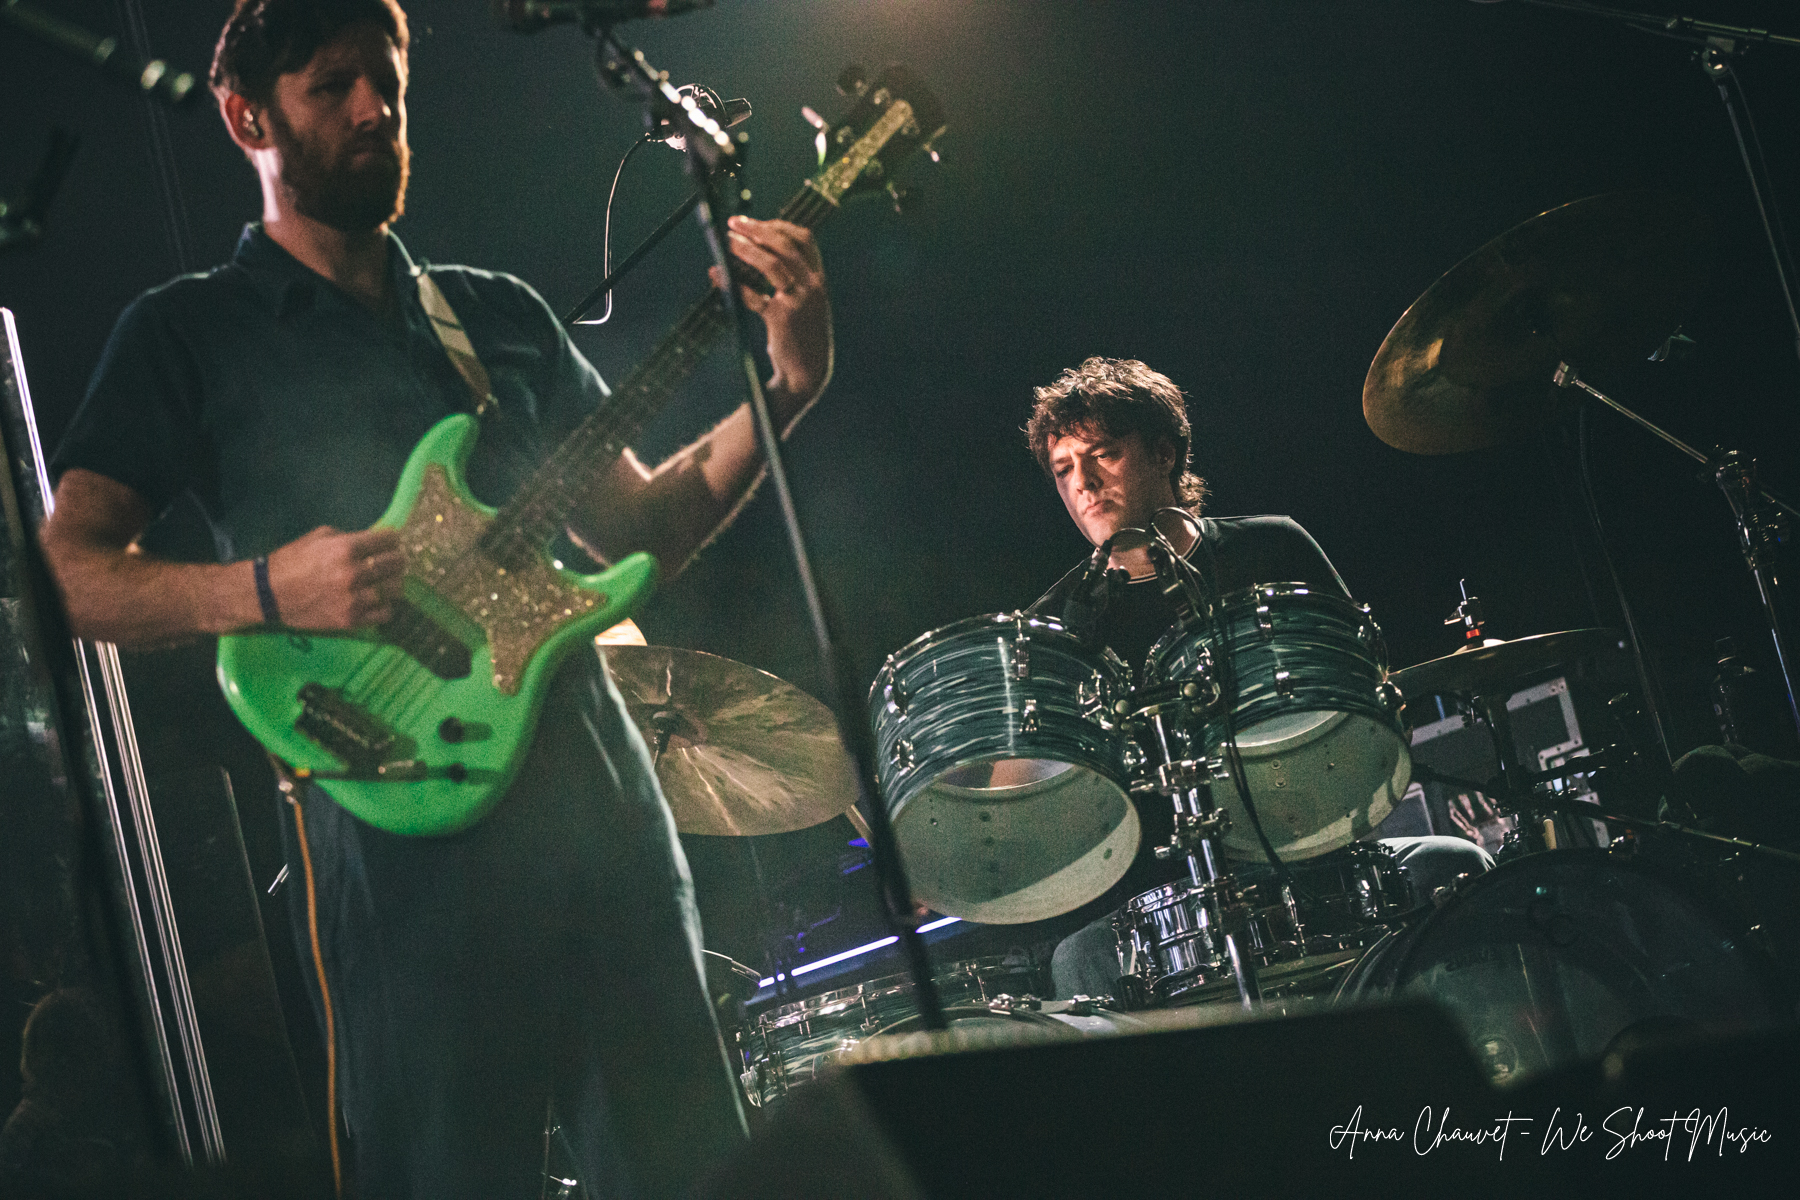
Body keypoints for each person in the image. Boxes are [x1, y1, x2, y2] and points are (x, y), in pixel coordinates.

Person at [37, 1, 832, 1195]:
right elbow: (68, 570)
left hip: (598, 805)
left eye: (390, 82)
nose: (376, 109)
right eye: (334, 86)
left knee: (693, 1170)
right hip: (398, 827)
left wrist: (792, 383)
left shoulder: (494, 316)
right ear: (248, 114)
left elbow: (645, 529)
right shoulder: (186, 333)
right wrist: (265, 587)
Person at [1021, 358, 1491, 999]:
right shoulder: (1059, 624)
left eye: (1102, 454)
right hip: (1169, 903)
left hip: (1323, 860)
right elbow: (1041, 797)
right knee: (1078, 963)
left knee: (1456, 865)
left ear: (1165, 452)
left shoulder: (1273, 546)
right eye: (1064, 469)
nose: (1084, 483)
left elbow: (1368, 692)